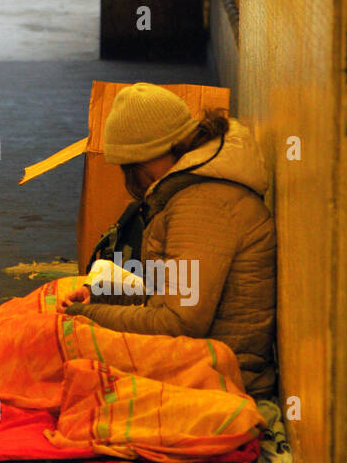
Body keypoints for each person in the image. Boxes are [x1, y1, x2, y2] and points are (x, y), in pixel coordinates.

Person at [60, 83, 277, 397]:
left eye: (131, 168)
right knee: (53, 307)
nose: (130, 180)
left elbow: (179, 322)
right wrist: (102, 295)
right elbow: (171, 297)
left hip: (218, 374)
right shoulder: (198, 193)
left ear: (152, 157)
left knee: (45, 345)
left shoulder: (203, 206)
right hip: (204, 359)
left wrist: (87, 317)